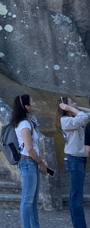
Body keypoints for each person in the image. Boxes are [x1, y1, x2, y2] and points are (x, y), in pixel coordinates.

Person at [11, 93, 49, 228]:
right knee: (27, 200)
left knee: (33, 200)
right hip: (28, 163)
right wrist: (41, 163)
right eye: (32, 101)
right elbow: (29, 148)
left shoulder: (28, 121)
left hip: (31, 162)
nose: (34, 103)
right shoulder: (24, 124)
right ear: (26, 106)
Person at [55, 96, 90, 228]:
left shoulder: (73, 118)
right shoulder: (65, 120)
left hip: (79, 159)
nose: (75, 103)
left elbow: (87, 114)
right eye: (72, 102)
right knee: (76, 197)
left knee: (76, 195)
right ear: (64, 107)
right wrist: (70, 108)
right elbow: (84, 118)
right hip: (74, 159)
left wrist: (77, 108)